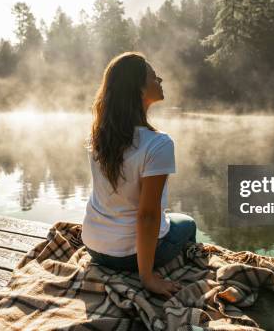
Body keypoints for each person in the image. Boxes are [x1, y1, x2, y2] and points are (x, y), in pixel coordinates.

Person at [81, 51, 197, 299]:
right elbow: (147, 216)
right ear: (140, 89)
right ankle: (179, 269)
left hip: (93, 245)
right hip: (128, 255)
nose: (161, 80)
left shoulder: (98, 135)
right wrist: (147, 278)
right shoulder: (159, 143)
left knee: (171, 219)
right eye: (154, 77)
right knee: (187, 223)